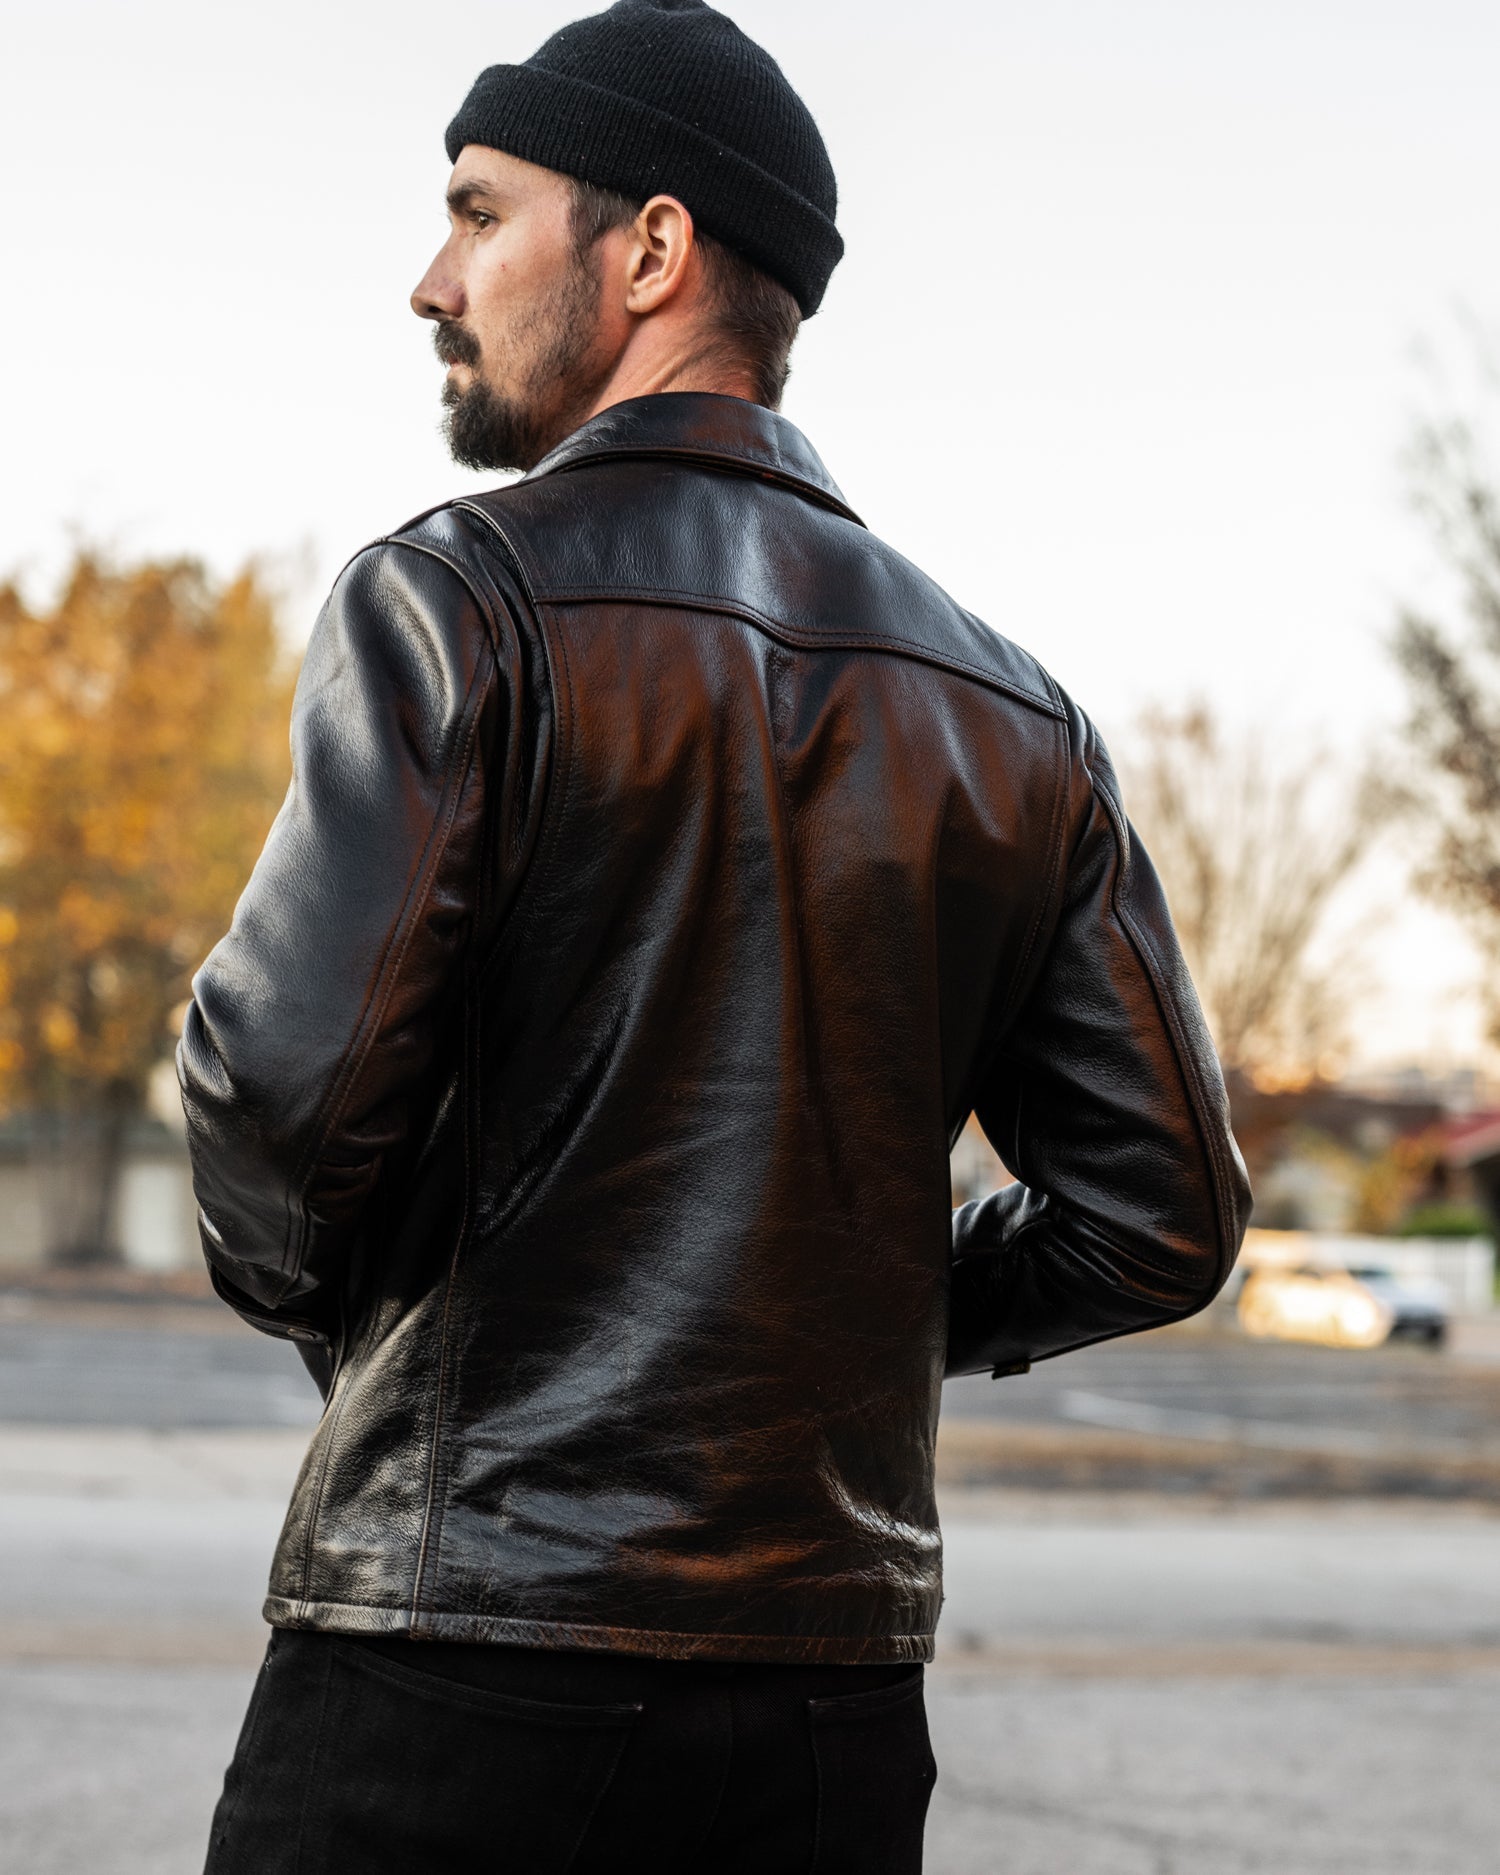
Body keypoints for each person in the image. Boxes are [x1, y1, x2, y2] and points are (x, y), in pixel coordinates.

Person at [179, 3, 1251, 1869]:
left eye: (479, 212)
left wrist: (381, 1339)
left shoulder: (458, 603)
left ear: (651, 250)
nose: (433, 279)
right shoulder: (1014, 716)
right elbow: (1161, 1214)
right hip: (828, 1714)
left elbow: (278, 1100)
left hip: (461, 1662)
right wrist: (855, 1316)